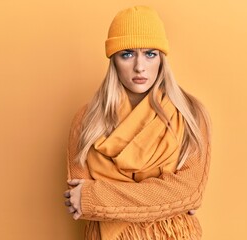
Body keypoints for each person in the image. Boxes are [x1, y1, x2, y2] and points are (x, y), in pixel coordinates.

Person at [63, 5, 211, 240]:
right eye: (127, 54)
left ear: (162, 59)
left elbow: (187, 192)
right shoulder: (87, 120)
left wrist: (96, 197)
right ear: (114, 59)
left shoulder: (190, 114)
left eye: (150, 54)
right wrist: (167, 200)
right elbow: (77, 199)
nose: (140, 66)